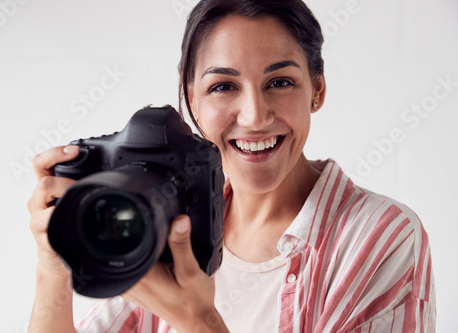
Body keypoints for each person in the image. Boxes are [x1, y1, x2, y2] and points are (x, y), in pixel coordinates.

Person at [27, 0, 436, 332]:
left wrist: (199, 323)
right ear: (193, 101)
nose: (255, 116)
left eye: (280, 82)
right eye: (223, 86)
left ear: (317, 90)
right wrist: (52, 267)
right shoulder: (153, 221)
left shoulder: (383, 238)